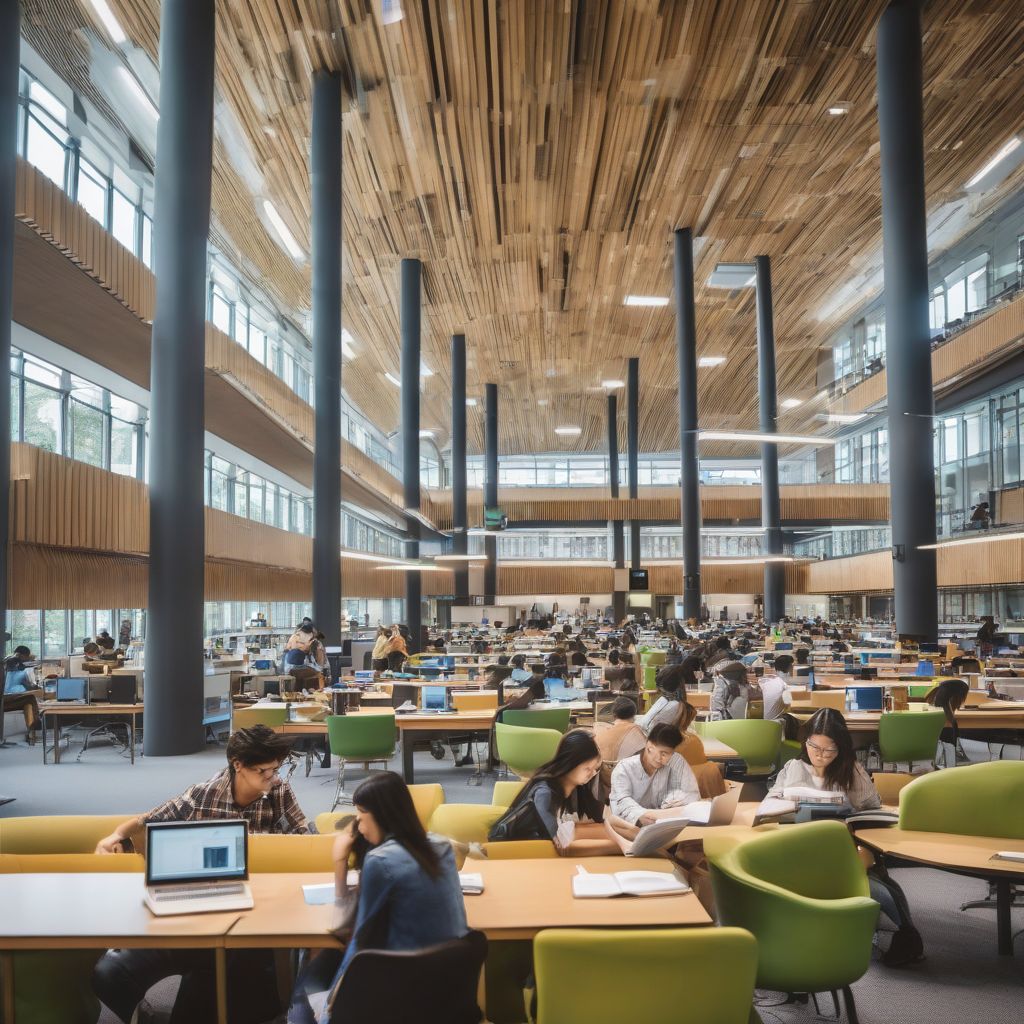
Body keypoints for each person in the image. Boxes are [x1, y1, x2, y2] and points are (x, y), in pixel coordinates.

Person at [93, 726, 309, 1024]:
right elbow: (151, 820)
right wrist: (116, 835)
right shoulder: (203, 795)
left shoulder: (279, 793)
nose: (272, 778)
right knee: (111, 973)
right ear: (238, 765)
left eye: (276, 769)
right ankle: (145, 1010)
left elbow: (303, 839)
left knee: (233, 982)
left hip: (250, 914)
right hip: (195, 913)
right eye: (264, 771)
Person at [287, 772, 468, 1024]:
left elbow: (357, 941)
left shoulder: (380, 861)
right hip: (443, 989)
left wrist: (339, 860)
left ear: (381, 815)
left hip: (392, 990)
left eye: (361, 818)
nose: (359, 827)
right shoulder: (441, 847)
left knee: (301, 991)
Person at [768, 709, 923, 966]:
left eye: (829, 750)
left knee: (873, 887)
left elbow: (872, 810)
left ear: (841, 748)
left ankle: (901, 931)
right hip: (798, 846)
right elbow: (770, 803)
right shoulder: (793, 767)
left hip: (844, 849)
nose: (820, 755)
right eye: (814, 746)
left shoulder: (852, 771)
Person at [488, 730, 622, 855]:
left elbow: (601, 819)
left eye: (595, 769)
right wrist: (620, 846)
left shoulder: (577, 787)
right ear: (571, 762)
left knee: (602, 829)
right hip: (513, 849)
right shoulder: (545, 791)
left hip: (538, 847)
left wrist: (624, 834)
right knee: (579, 834)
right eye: (587, 768)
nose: (592, 774)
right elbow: (560, 841)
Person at [608, 723, 700, 828]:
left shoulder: (676, 761)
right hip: (632, 826)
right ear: (649, 747)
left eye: (667, 754)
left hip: (666, 824)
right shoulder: (624, 768)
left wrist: (675, 799)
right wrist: (641, 816)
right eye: (661, 753)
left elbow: (692, 794)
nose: (663, 759)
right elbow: (621, 802)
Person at [594, 696, 645, 796]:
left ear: (614, 715)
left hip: (603, 784)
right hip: (627, 785)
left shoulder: (600, 731)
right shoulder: (636, 731)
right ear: (634, 715)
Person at [636, 663, 691, 734]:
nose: (659, 689)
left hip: (652, 738)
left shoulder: (675, 705)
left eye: (661, 687)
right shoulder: (665, 700)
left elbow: (650, 727)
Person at [3, 648, 41, 742]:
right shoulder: (14, 662)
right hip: (5, 700)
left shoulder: (7, 660)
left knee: (27, 702)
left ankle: (32, 730)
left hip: (6, 697)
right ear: (21, 655)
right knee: (30, 698)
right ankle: (36, 725)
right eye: (26, 657)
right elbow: (26, 683)